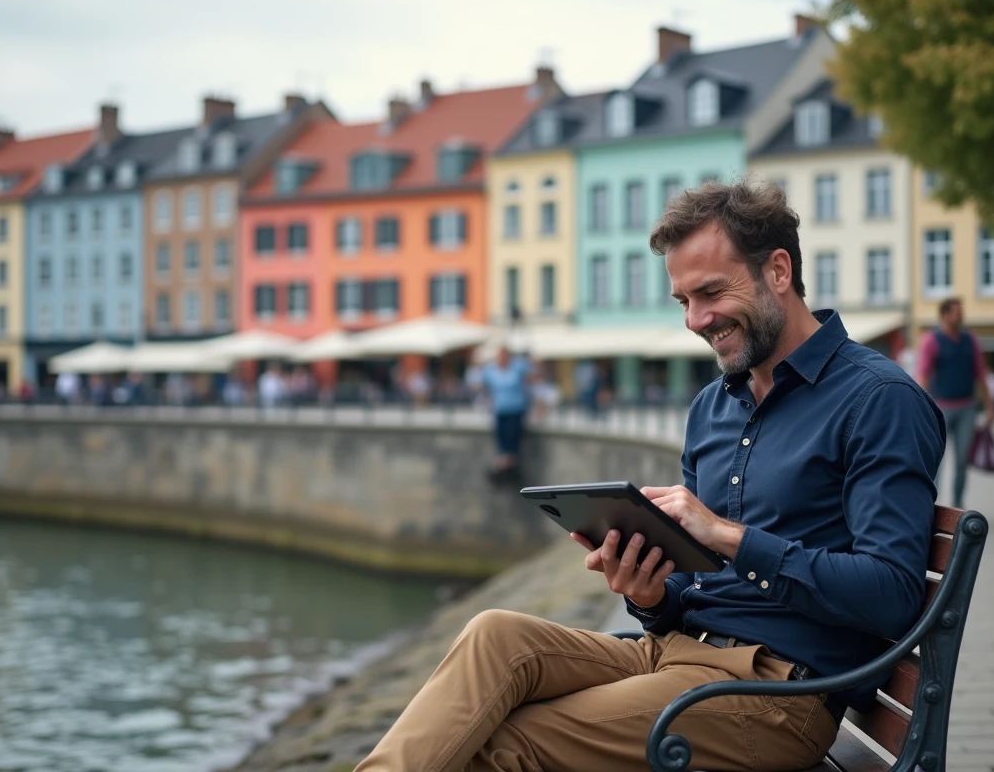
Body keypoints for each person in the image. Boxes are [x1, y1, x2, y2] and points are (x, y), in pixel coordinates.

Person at [354, 179, 944, 772]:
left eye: (711, 292)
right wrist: (650, 593)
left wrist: (728, 537)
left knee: (505, 742)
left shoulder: (878, 399)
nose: (695, 320)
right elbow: (693, 595)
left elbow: (893, 595)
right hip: (672, 655)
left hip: (778, 692)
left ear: (779, 271)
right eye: (683, 301)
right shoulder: (712, 408)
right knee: (494, 636)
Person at [914, 298, 994, 508]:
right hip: (939, 407)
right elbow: (923, 374)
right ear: (944, 315)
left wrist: (989, 405)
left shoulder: (971, 341)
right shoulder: (932, 340)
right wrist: (917, 405)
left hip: (966, 407)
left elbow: (980, 374)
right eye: (957, 312)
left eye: (962, 312)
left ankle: (958, 503)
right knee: (935, 459)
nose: (961, 316)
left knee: (962, 461)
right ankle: (930, 504)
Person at [481, 347, 534, 481]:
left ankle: (507, 464)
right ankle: (504, 464)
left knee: (512, 436)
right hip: (500, 409)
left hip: (515, 408)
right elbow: (484, 386)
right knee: (502, 437)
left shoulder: (517, 367)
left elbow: (533, 374)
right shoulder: (491, 370)